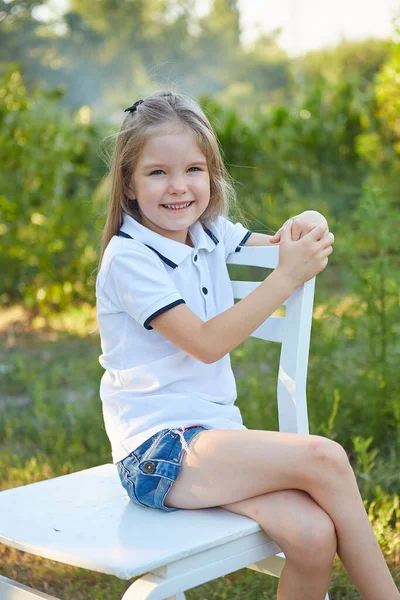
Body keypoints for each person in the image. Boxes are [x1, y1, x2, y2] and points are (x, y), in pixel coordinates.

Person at [95, 90, 399, 600]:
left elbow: (287, 247)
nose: (178, 187)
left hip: (212, 441)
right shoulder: (129, 260)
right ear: (127, 183)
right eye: (156, 173)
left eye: (193, 169)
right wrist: (284, 279)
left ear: (211, 176)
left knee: (312, 535)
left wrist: (311, 220)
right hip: (157, 454)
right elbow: (206, 344)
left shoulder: (208, 232)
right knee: (325, 459)